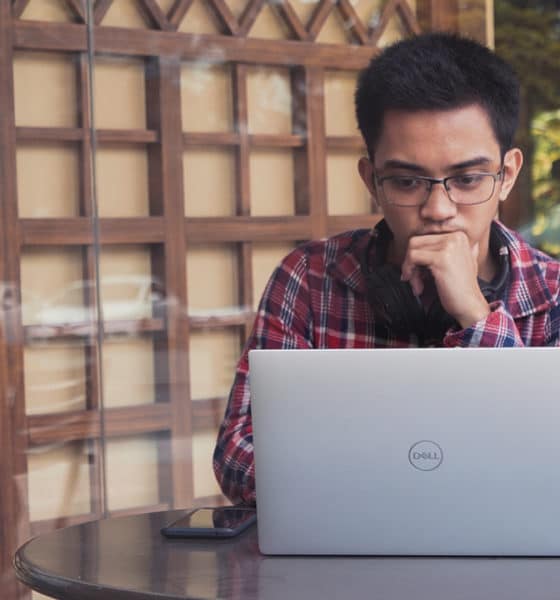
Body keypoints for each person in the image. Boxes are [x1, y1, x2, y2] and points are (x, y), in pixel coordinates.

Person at [213, 32, 560, 505]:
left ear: (508, 175)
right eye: (406, 181)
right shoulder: (309, 278)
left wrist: (477, 317)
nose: (439, 209)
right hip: (344, 550)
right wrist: (405, 484)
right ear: (371, 181)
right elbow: (238, 456)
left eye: (467, 179)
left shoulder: (553, 293)